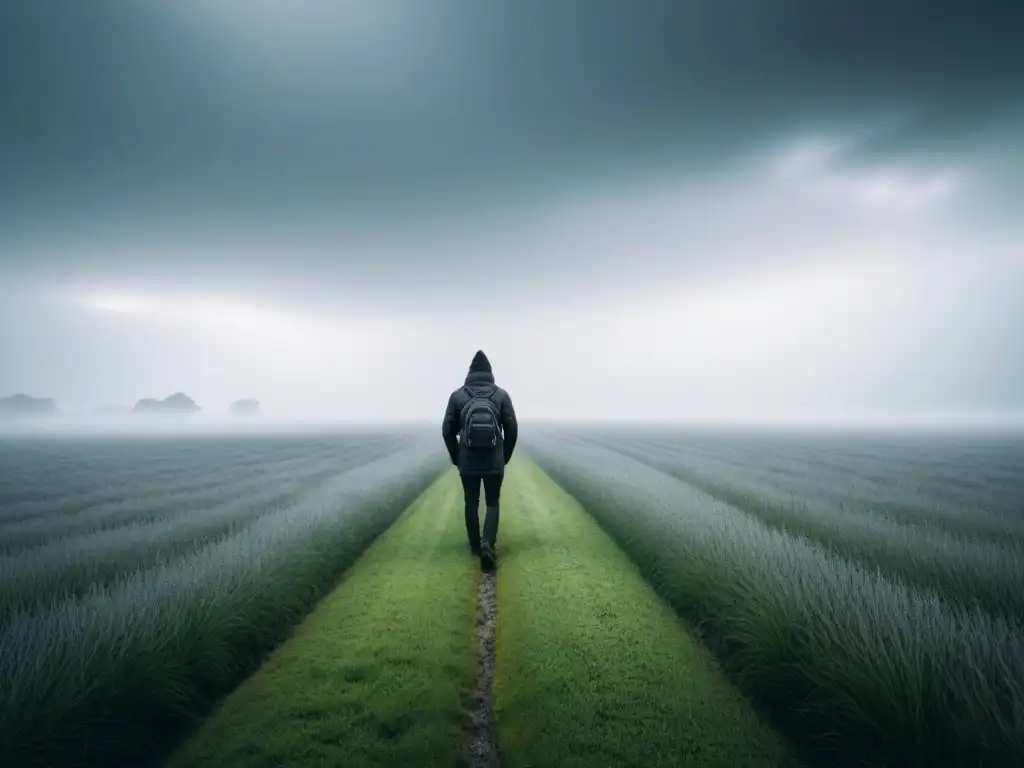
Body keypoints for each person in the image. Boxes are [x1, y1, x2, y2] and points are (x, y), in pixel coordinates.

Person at [442, 350, 518, 570]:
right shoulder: (501, 395)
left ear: (470, 372)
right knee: (492, 501)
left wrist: (457, 457)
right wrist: (504, 456)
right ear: (490, 373)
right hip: (494, 460)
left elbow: (447, 430)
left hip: (468, 460)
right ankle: (488, 544)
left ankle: (475, 546)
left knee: (471, 501)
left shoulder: (457, 396)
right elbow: (512, 429)